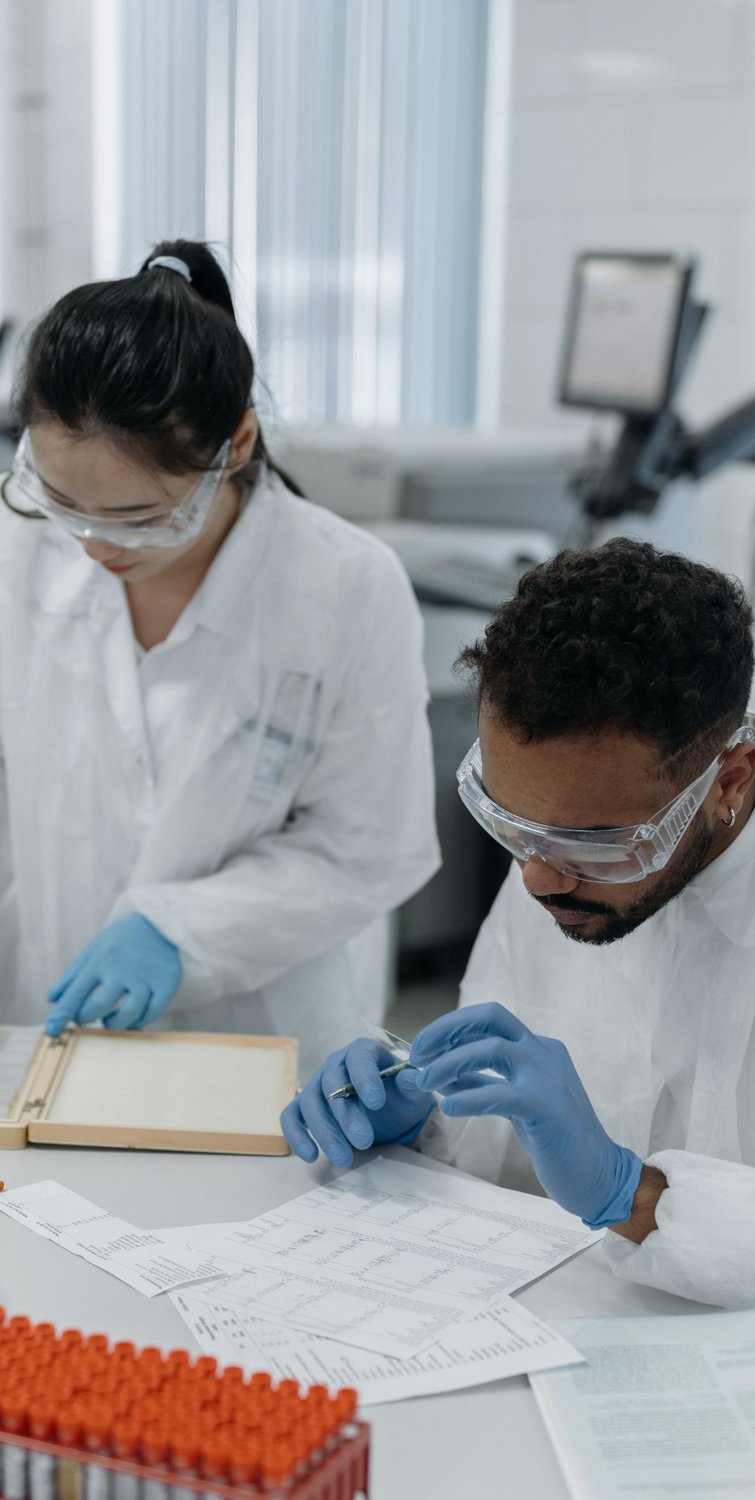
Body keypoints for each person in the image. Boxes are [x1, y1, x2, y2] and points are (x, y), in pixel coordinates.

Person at [0, 239, 439, 1070]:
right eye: (62, 503)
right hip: (46, 1017)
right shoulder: (17, 553)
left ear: (235, 445)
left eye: (137, 517)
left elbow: (371, 844)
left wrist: (179, 932)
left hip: (263, 1040)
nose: (94, 546)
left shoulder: (344, 588)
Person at [284, 538, 755, 1307]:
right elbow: (504, 1144)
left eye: (590, 843)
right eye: (510, 823)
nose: (537, 877)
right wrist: (423, 1115)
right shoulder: (558, 850)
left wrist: (631, 1194)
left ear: (729, 779)